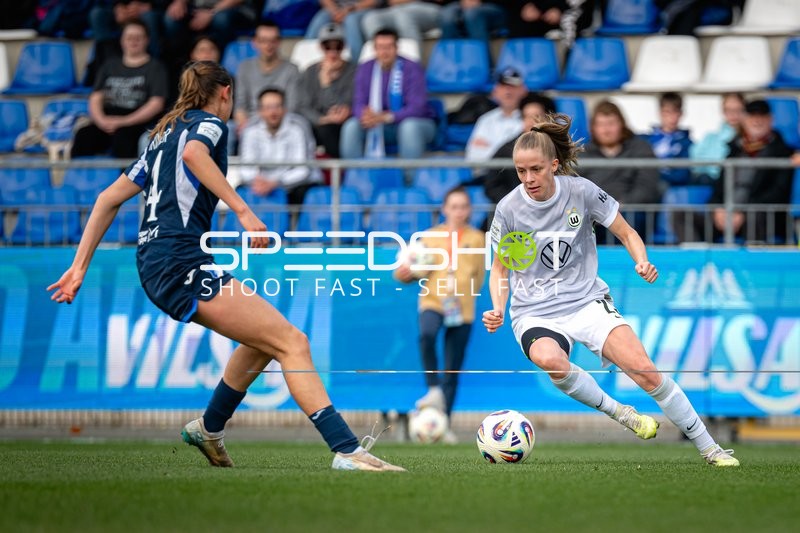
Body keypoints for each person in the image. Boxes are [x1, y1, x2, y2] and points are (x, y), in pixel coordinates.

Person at [48, 61, 403, 472]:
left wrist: (79, 267)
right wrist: (244, 211)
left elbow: (107, 199)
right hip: (178, 258)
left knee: (265, 340)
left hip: (160, 260)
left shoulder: (162, 135)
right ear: (226, 92)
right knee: (293, 342)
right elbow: (197, 155)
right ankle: (346, 450)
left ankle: (209, 426)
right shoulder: (209, 125)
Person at [482, 113, 739, 467]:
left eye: (536, 169)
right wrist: (498, 306)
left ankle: (712, 449)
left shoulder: (582, 191)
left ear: (554, 165)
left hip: (586, 301)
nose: (528, 179)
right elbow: (500, 268)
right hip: (534, 311)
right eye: (521, 171)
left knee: (646, 371)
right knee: (550, 359)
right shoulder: (509, 209)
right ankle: (621, 413)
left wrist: (641, 260)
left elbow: (627, 232)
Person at [394, 186, 486, 443]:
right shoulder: (429, 237)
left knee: (453, 368)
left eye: (463, 206)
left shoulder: (477, 238)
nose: (459, 212)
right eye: (454, 206)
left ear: (469, 209)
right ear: (445, 209)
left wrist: (465, 294)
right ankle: (433, 388)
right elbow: (409, 267)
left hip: (462, 308)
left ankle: (444, 424)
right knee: (426, 334)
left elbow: (479, 275)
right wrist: (405, 274)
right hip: (432, 301)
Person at [685, 99, 795, 244]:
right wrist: (718, 209)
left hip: (759, 216)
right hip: (727, 214)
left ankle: (753, 265)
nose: (757, 121)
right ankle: (697, 262)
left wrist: (742, 212)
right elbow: (719, 187)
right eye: (752, 116)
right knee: (682, 217)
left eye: (762, 116)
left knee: (755, 217)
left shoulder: (783, 152)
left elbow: (777, 193)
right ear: (744, 119)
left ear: (770, 120)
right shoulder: (734, 149)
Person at [71, 20, 168, 159]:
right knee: (83, 135)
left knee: (123, 139)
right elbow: (96, 97)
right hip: (107, 118)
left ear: (147, 40)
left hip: (137, 122)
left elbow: (156, 103)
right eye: (129, 38)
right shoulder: (109, 66)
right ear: (122, 40)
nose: (133, 41)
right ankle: (79, 178)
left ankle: (125, 180)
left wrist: (123, 121)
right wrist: (101, 121)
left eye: (138, 38)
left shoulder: (156, 68)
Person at [339, 28, 436, 160]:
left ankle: (409, 178)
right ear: (374, 49)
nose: (384, 52)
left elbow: (417, 108)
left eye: (389, 47)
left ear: (396, 48)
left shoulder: (412, 68)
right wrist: (365, 115)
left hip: (416, 124)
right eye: (380, 47)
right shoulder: (365, 68)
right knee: (351, 126)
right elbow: (358, 101)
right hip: (379, 124)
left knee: (409, 127)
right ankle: (354, 176)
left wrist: (387, 117)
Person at [580, 100, 661, 243]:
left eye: (611, 124)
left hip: (630, 211)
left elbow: (647, 186)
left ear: (622, 124)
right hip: (593, 215)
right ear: (593, 128)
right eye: (601, 125)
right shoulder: (582, 153)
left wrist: (620, 206)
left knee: (631, 219)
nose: (606, 130)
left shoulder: (640, 148)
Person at [240, 88, 322, 206]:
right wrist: (259, 181)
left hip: (294, 184)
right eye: (268, 108)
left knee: (303, 192)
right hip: (261, 183)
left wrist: (276, 182)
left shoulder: (297, 129)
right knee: (241, 190)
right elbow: (245, 167)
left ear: (285, 109)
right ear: (260, 111)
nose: (273, 112)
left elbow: (303, 169)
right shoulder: (250, 131)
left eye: (277, 106)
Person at [296, 23, 356, 158]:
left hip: (342, 124)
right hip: (317, 123)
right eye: (328, 47)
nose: (333, 52)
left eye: (338, 46)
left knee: (330, 131)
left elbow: (341, 107)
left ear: (344, 47)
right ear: (321, 47)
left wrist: (326, 85)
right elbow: (303, 106)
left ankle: (338, 173)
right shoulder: (310, 71)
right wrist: (322, 119)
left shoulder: (353, 71)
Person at [484, 93, 556, 204]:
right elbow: (492, 185)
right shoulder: (507, 149)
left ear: (548, 119)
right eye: (526, 116)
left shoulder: (559, 147)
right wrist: (514, 204)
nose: (531, 122)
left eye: (537, 117)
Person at [235, 21, 301, 133]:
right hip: (249, 123)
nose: (268, 45)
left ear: (279, 42)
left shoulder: (292, 69)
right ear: (254, 42)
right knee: (226, 130)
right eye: (263, 41)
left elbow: (292, 107)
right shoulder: (244, 68)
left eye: (273, 40)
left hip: (282, 123)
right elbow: (240, 105)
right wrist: (244, 124)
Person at [465, 67, 528, 166]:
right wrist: (509, 155)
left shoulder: (531, 119)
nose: (508, 90)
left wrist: (490, 149)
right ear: (495, 92)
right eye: (503, 85)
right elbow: (472, 157)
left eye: (513, 86)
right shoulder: (486, 120)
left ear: (524, 90)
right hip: (490, 178)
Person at [162, 0, 256, 56]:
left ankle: (220, 59)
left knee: (221, 19)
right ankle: (179, 63)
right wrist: (180, 2)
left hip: (232, 8)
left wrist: (211, 13)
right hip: (197, 7)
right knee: (171, 18)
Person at [690, 92, 745, 184]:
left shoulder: (749, 139)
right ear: (723, 111)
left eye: (738, 110)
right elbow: (696, 164)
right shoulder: (709, 138)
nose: (733, 115)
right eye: (728, 110)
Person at [304, 0, 378, 61]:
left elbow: (373, 2)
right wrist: (335, 11)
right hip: (336, 8)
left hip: (362, 9)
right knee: (319, 20)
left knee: (351, 21)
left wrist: (348, 10)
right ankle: (308, 64)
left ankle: (354, 65)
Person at [361, 1, 445, 52]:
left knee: (403, 16)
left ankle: (413, 68)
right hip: (395, 10)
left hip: (430, 7)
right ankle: (381, 66)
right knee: (371, 18)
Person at [648, 92, 692, 187]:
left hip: (669, 187)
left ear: (681, 114)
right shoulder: (646, 140)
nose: (672, 117)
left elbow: (682, 175)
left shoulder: (686, 143)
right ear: (660, 113)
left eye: (675, 112)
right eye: (667, 112)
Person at [439, 0, 508, 41]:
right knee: (447, 15)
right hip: (460, 4)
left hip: (493, 6)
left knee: (472, 14)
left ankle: (481, 59)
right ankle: (449, 59)